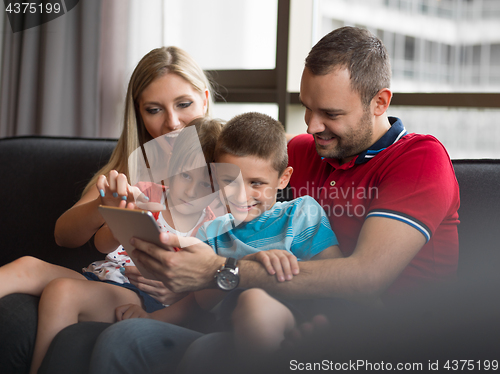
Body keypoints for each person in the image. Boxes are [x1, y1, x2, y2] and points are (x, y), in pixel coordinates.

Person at [81, 26, 459, 374]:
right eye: (307, 107)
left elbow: (367, 277)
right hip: (273, 310)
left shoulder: (420, 159)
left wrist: (217, 271)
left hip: (383, 336)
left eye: (330, 114)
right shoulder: (304, 150)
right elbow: (234, 159)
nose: (311, 126)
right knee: (123, 340)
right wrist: (170, 268)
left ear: (380, 102)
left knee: (206, 354)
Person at [0, 46, 215, 374]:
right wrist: (107, 207)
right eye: (154, 109)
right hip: (101, 275)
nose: (172, 122)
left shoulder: (221, 172)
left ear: (204, 99)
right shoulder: (129, 170)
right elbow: (67, 236)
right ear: (139, 113)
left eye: (183, 104)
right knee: (26, 265)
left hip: (139, 294)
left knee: (63, 292)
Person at [112, 112, 342, 361]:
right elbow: (198, 300)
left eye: (256, 183)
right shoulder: (210, 231)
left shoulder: (301, 214)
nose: (241, 196)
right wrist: (149, 317)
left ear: (283, 178)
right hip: (223, 327)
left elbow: (336, 276)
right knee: (123, 337)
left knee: (253, 304)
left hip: (289, 315)